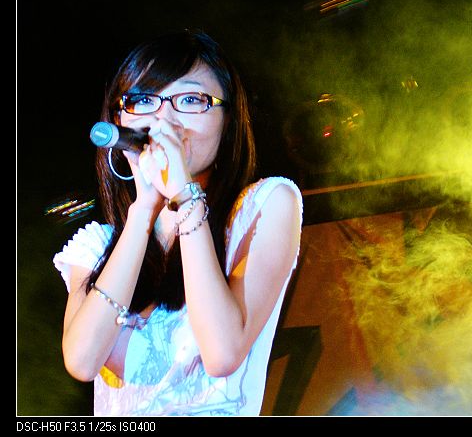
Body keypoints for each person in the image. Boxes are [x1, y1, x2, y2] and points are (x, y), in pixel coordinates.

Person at [53, 29, 303, 416]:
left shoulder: (263, 207)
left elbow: (222, 353)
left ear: (228, 120)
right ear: (119, 120)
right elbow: (82, 361)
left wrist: (184, 194)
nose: (163, 118)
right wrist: (144, 209)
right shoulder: (98, 247)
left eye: (190, 100)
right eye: (143, 100)